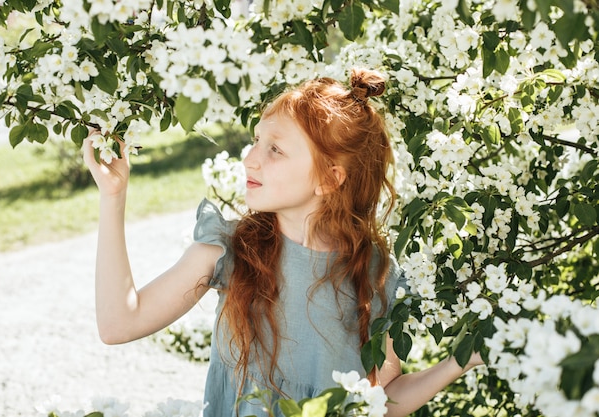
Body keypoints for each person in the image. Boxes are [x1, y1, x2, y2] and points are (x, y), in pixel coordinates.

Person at [83, 68, 483, 417]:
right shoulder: (229, 251)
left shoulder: (376, 274)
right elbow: (119, 324)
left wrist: (461, 361)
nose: (250, 159)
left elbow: (380, 401)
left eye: (274, 149)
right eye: (256, 141)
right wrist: (113, 196)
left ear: (330, 178)